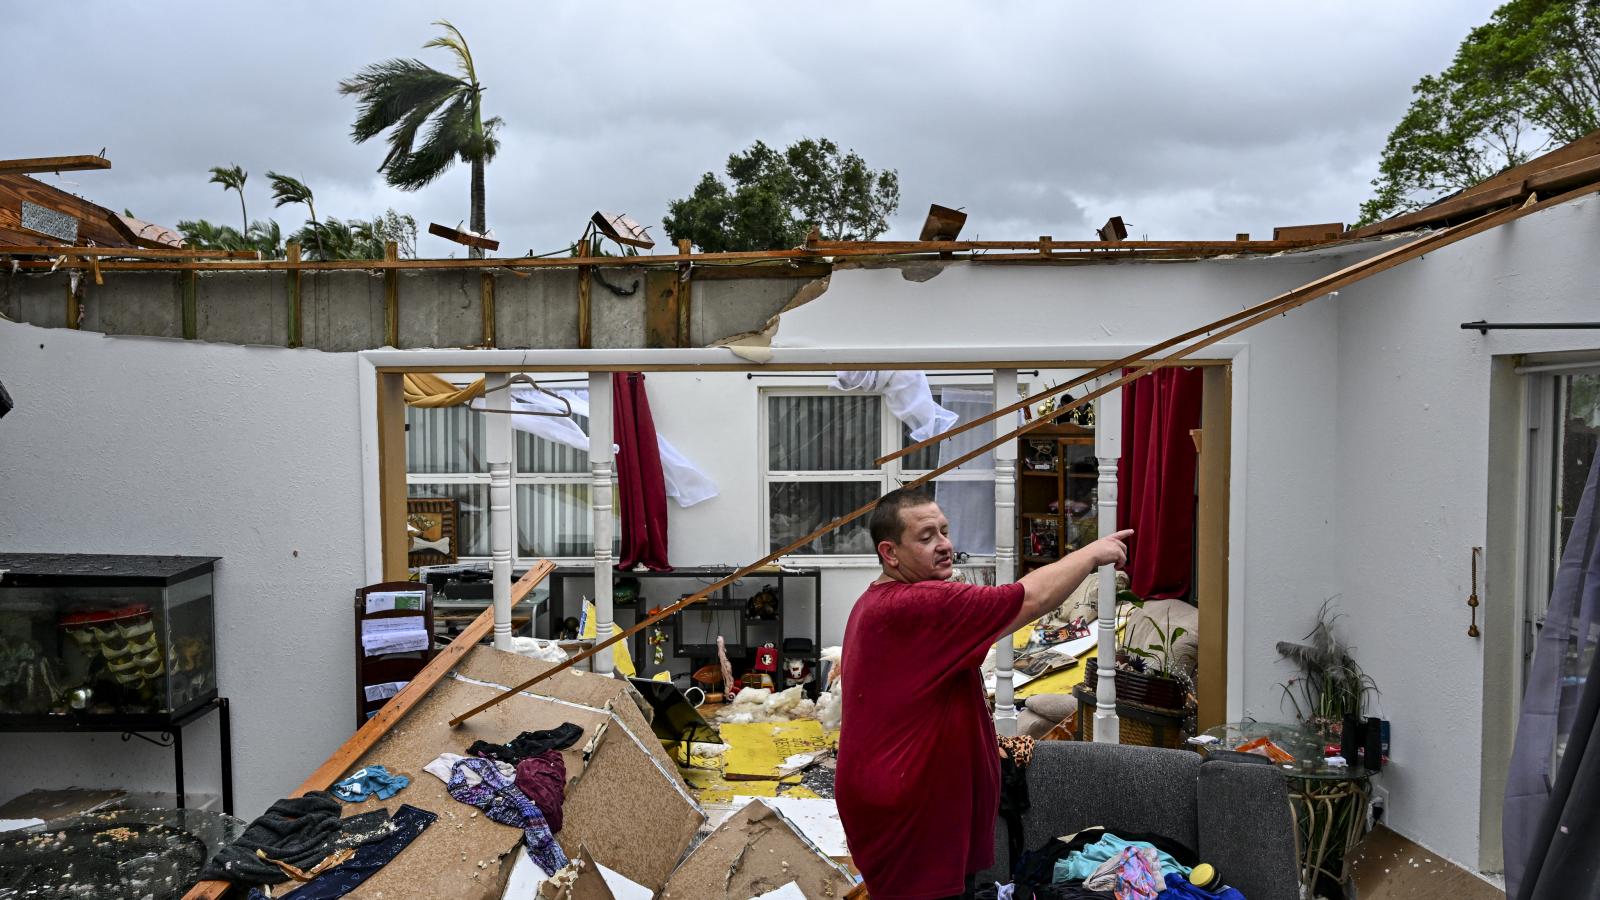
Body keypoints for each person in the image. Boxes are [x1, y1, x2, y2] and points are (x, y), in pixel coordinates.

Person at [835, 487, 1131, 900]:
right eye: (926, 537)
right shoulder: (917, 603)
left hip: (912, 801)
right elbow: (1032, 598)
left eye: (944, 531)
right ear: (890, 552)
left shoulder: (885, 599)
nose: (944, 545)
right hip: (909, 811)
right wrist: (1091, 554)